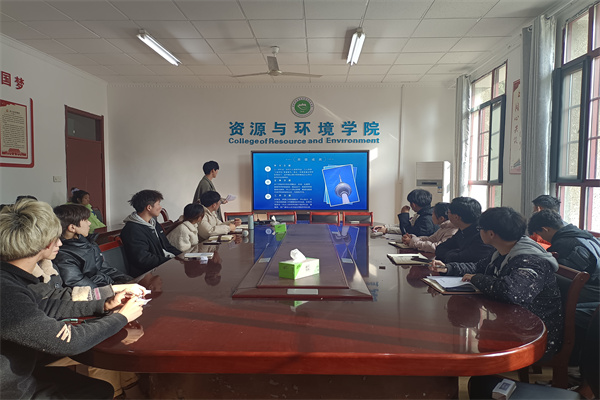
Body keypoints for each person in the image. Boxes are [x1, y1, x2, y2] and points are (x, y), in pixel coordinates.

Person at [0, 199, 144, 399]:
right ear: (42, 243)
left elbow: (47, 305)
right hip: (13, 390)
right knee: (98, 392)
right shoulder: (6, 291)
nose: (60, 243)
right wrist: (121, 317)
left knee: (99, 389)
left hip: (24, 373)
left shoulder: (13, 276)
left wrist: (104, 304)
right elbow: (69, 342)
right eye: (56, 238)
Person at [430, 207, 563, 356]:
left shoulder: (530, 260)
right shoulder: (504, 251)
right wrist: (449, 268)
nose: (479, 232)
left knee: (475, 347)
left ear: (491, 234)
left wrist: (477, 278)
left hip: (535, 333)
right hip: (512, 320)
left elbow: (512, 292)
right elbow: (478, 267)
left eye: (480, 229)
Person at [528, 209, 600, 362]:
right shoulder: (584, 235)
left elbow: (567, 280)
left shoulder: (565, 244)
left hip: (592, 293)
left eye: (540, 235)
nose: (541, 239)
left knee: (541, 302)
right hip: (592, 288)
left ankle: (553, 351)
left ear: (545, 229)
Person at [53, 204, 132, 288]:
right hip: (98, 293)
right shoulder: (63, 255)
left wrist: (129, 281)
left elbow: (104, 268)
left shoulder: (88, 242)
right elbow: (79, 284)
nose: (89, 223)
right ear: (72, 227)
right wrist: (113, 290)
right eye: (85, 220)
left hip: (108, 287)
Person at [120, 190, 182, 277]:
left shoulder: (154, 223)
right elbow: (143, 259)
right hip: (148, 274)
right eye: (158, 204)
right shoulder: (132, 229)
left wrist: (182, 256)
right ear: (149, 207)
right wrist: (171, 261)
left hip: (164, 265)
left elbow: (167, 246)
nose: (160, 207)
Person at [434, 197, 494, 263]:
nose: (447, 215)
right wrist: (455, 252)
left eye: (448, 212)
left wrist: (453, 253)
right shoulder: (462, 230)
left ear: (456, 217)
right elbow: (440, 248)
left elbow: (463, 259)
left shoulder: (482, 235)